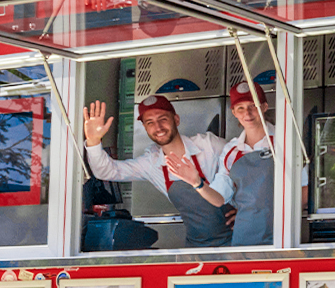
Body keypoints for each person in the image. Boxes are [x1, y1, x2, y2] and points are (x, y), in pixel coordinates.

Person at [83, 94, 232, 248]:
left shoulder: (210, 145)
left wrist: (245, 211)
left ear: (176, 120)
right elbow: (107, 171)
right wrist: (93, 141)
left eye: (163, 119)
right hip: (196, 246)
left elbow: (250, 170)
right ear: (146, 128)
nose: (158, 127)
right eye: (150, 122)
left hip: (236, 241)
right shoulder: (151, 163)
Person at [207, 81, 276, 247]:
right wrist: (196, 182)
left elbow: (304, 191)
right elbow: (219, 197)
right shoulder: (231, 151)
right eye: (241, 108)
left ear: (264, 107)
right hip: (245, 237)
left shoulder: (284, 141)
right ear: (234, 113)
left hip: (282, 234)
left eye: (253, 106)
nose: (248, 113)